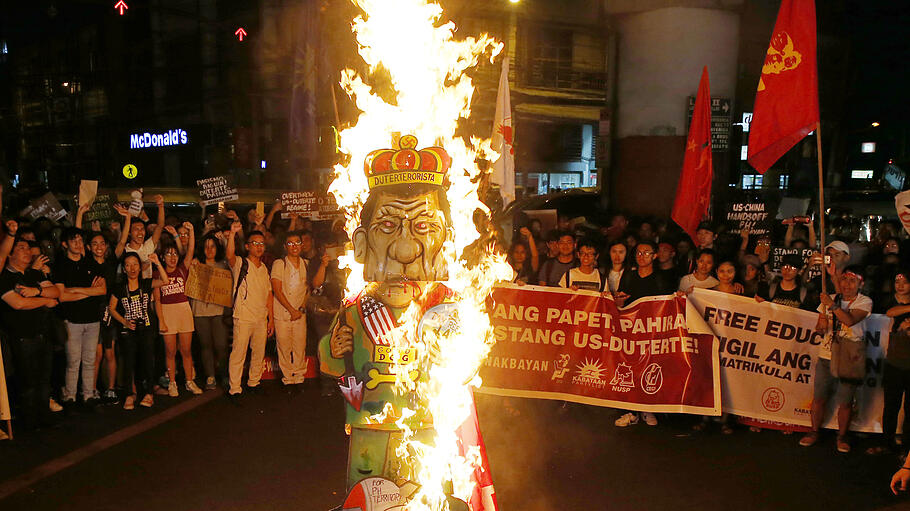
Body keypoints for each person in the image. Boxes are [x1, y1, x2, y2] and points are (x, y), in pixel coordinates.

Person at [799, 267, 872, 453]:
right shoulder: (830, 299)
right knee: (819, 397)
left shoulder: (864, 302)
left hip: (849, 357)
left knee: (846, 400)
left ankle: (842, 436)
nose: (847, 284)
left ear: (860, 284)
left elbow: (849, 320)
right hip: (826, 354)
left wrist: (831, 305)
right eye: (844, 280)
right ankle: (814, 431)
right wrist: (821, 326)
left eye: (852, 281)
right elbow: (819, 327)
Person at [0, 232, 61, 429]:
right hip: (22, 338)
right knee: (28, 381)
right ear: (10, 255)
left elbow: (56, 292)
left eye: (28, 248)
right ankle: (29, 420)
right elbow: (18, 303)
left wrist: (37, 292)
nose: (27, 252)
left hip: (43, 334)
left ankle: (43, 416)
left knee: (44, 379)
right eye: (21, 248)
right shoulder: (5, 278)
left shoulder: (34, 274)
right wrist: (44, 300)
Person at [614, 240, 666, 427]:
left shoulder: (661, 278)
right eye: (638, 253)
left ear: (655, 256)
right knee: (629, 368)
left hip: (651, 333)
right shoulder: (629, 276)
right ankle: (629, 411)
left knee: (649, 368)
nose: (641, 256)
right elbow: (620, 304)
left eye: (646, 253)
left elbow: (666, 306)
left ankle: (647, 408)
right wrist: (618, 300)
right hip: (631, 332)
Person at [53, 227, 107, 407]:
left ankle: (88, 395)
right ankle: (70, 396)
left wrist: (75, 290)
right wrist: (89, 292)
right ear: (65, 244)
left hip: (92, 319)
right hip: (72, 319)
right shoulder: (60, 265)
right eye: (73, 240)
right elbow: (61, 296)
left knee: (90, 359)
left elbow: (102, 290)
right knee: (73, 360)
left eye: (80, 240)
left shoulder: (90, 263)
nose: (78, 243)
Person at [109, 252, 170, 410]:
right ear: (123, 269)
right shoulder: (120, 288)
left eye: (135, 264)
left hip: (147, 329)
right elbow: (112, 308)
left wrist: (157, 262)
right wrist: (125, 322)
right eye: (128, 265)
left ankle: (149, 393)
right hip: (128, 331)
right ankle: (130, 394)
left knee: (148, 360)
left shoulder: (146, 283)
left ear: (140, 266)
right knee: (129, 362)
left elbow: (165, 280)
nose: (132, 268)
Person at [271, 230, 327, 389]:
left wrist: (301, 307)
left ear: (302, 245)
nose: (294, 246)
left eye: (297, 243)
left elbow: (312, 286)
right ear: (285, 246)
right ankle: (288, 379)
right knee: (284, 346)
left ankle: (299, 377)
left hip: (300, 313)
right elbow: (277, 290)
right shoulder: (279, 264)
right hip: (283, 313)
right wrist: (291, 309)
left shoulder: (306, 264)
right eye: (290, 243)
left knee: (299, 346)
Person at [226, 223, 274, 399]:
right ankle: (235, 388)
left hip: (261, 317)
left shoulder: (264, 269)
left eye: (262, 243)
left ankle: (254, 382)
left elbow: (269, 294)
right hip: (243, 316)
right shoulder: (241, 263)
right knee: (239, 352)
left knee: (258, 352)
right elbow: (229, 255)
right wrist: (232, 234)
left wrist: (271, 320)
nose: (259, 247)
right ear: (247, 246)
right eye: (255, 243)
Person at [155, 222, 202, 397]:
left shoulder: (183, 269)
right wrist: (161, 319)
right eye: (168, 254)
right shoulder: (157, 274)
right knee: (170, 351)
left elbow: (190, 251)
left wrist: (191, 231)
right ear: (162, 257)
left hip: (183, 310)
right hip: (167, 312)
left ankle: (189, 381)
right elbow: (157, 299)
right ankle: (172, 383)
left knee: (186, 350)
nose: (172, 257)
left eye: (175, 254)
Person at [867, 270, 910, 455]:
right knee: (891, 406)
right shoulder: (890, 302)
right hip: (894, 362)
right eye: (897, 281)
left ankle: (907, 449)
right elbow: (890, 312)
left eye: (905, 282)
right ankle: (887, 443)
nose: (900, 285)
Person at [191, 233, 231, 390]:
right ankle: (210, 376)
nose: (209, 249)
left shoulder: (223, 266)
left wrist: (226, 240)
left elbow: (232, 255)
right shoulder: (196, 265)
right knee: (205, 345)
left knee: (221, 345)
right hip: (200, 311)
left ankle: (224, 374)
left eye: (213, 246)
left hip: (219, 311)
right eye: (206, 246)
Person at [85, 230, 120, 404]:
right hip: (92, 312)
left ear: (106, 246)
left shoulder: (111, 265)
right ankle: (92, 389)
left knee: (110, 352)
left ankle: (111, 388)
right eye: (94, 244)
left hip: (109, 311)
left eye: (102, 243)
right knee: (96, 354)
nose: (99, 247)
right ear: (89, 247)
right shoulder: (86, 265)